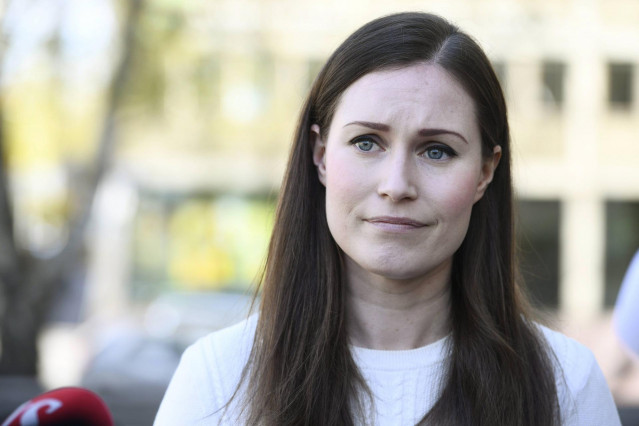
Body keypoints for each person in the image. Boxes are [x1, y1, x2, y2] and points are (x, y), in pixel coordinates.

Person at [155, 12, 621, 426]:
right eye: (366, 143)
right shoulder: (219, 378)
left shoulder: (565, 384)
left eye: (436, 150)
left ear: (484, 172)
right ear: (319, 154)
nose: (396, 185)